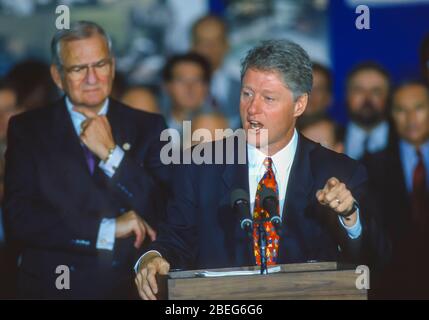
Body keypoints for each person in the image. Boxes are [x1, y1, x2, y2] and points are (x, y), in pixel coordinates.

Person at [134, 40, 388, 300]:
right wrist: (153, 258)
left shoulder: (339, 170)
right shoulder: (200, 166)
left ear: (299, 105)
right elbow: (175, 239)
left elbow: (372, 259)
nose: (252, 109)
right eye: (247, 94)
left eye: (268, 98)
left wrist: (350, 216)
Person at [3, 21, 169, 299]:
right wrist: (106, 229)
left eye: (100, 65)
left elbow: (161, 209)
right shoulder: (28, 129)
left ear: (113, 67)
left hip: (126, 289)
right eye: (79, 68)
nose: (92, 78)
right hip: (51, 288)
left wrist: (112, 155)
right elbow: (19, 220)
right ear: (58, 76)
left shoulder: (149, 126)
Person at [364, 81, 429, 299]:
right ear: (391, 115)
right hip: (395, 286)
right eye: (401, 110)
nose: (411, 119)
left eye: (419, 108)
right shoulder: (371, 166)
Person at [191, 15, 241, 129]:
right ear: (192, 46)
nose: (210, 48)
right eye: (204, 42)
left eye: (216, 41)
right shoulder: (175, 85)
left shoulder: (244, 83)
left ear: (227, 44)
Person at [162, 52, 212, 149]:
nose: (190, 88)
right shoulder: (154, 127)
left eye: (197, 80)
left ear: (206, 86)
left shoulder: (219, 126)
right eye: (181, 80)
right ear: (167, 87)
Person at [344, 62, 392, 160]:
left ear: (388, 97)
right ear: (347, 95)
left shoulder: (404, 140)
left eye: (376, 91)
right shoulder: (329, 138)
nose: (367, 98)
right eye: (359, 90)